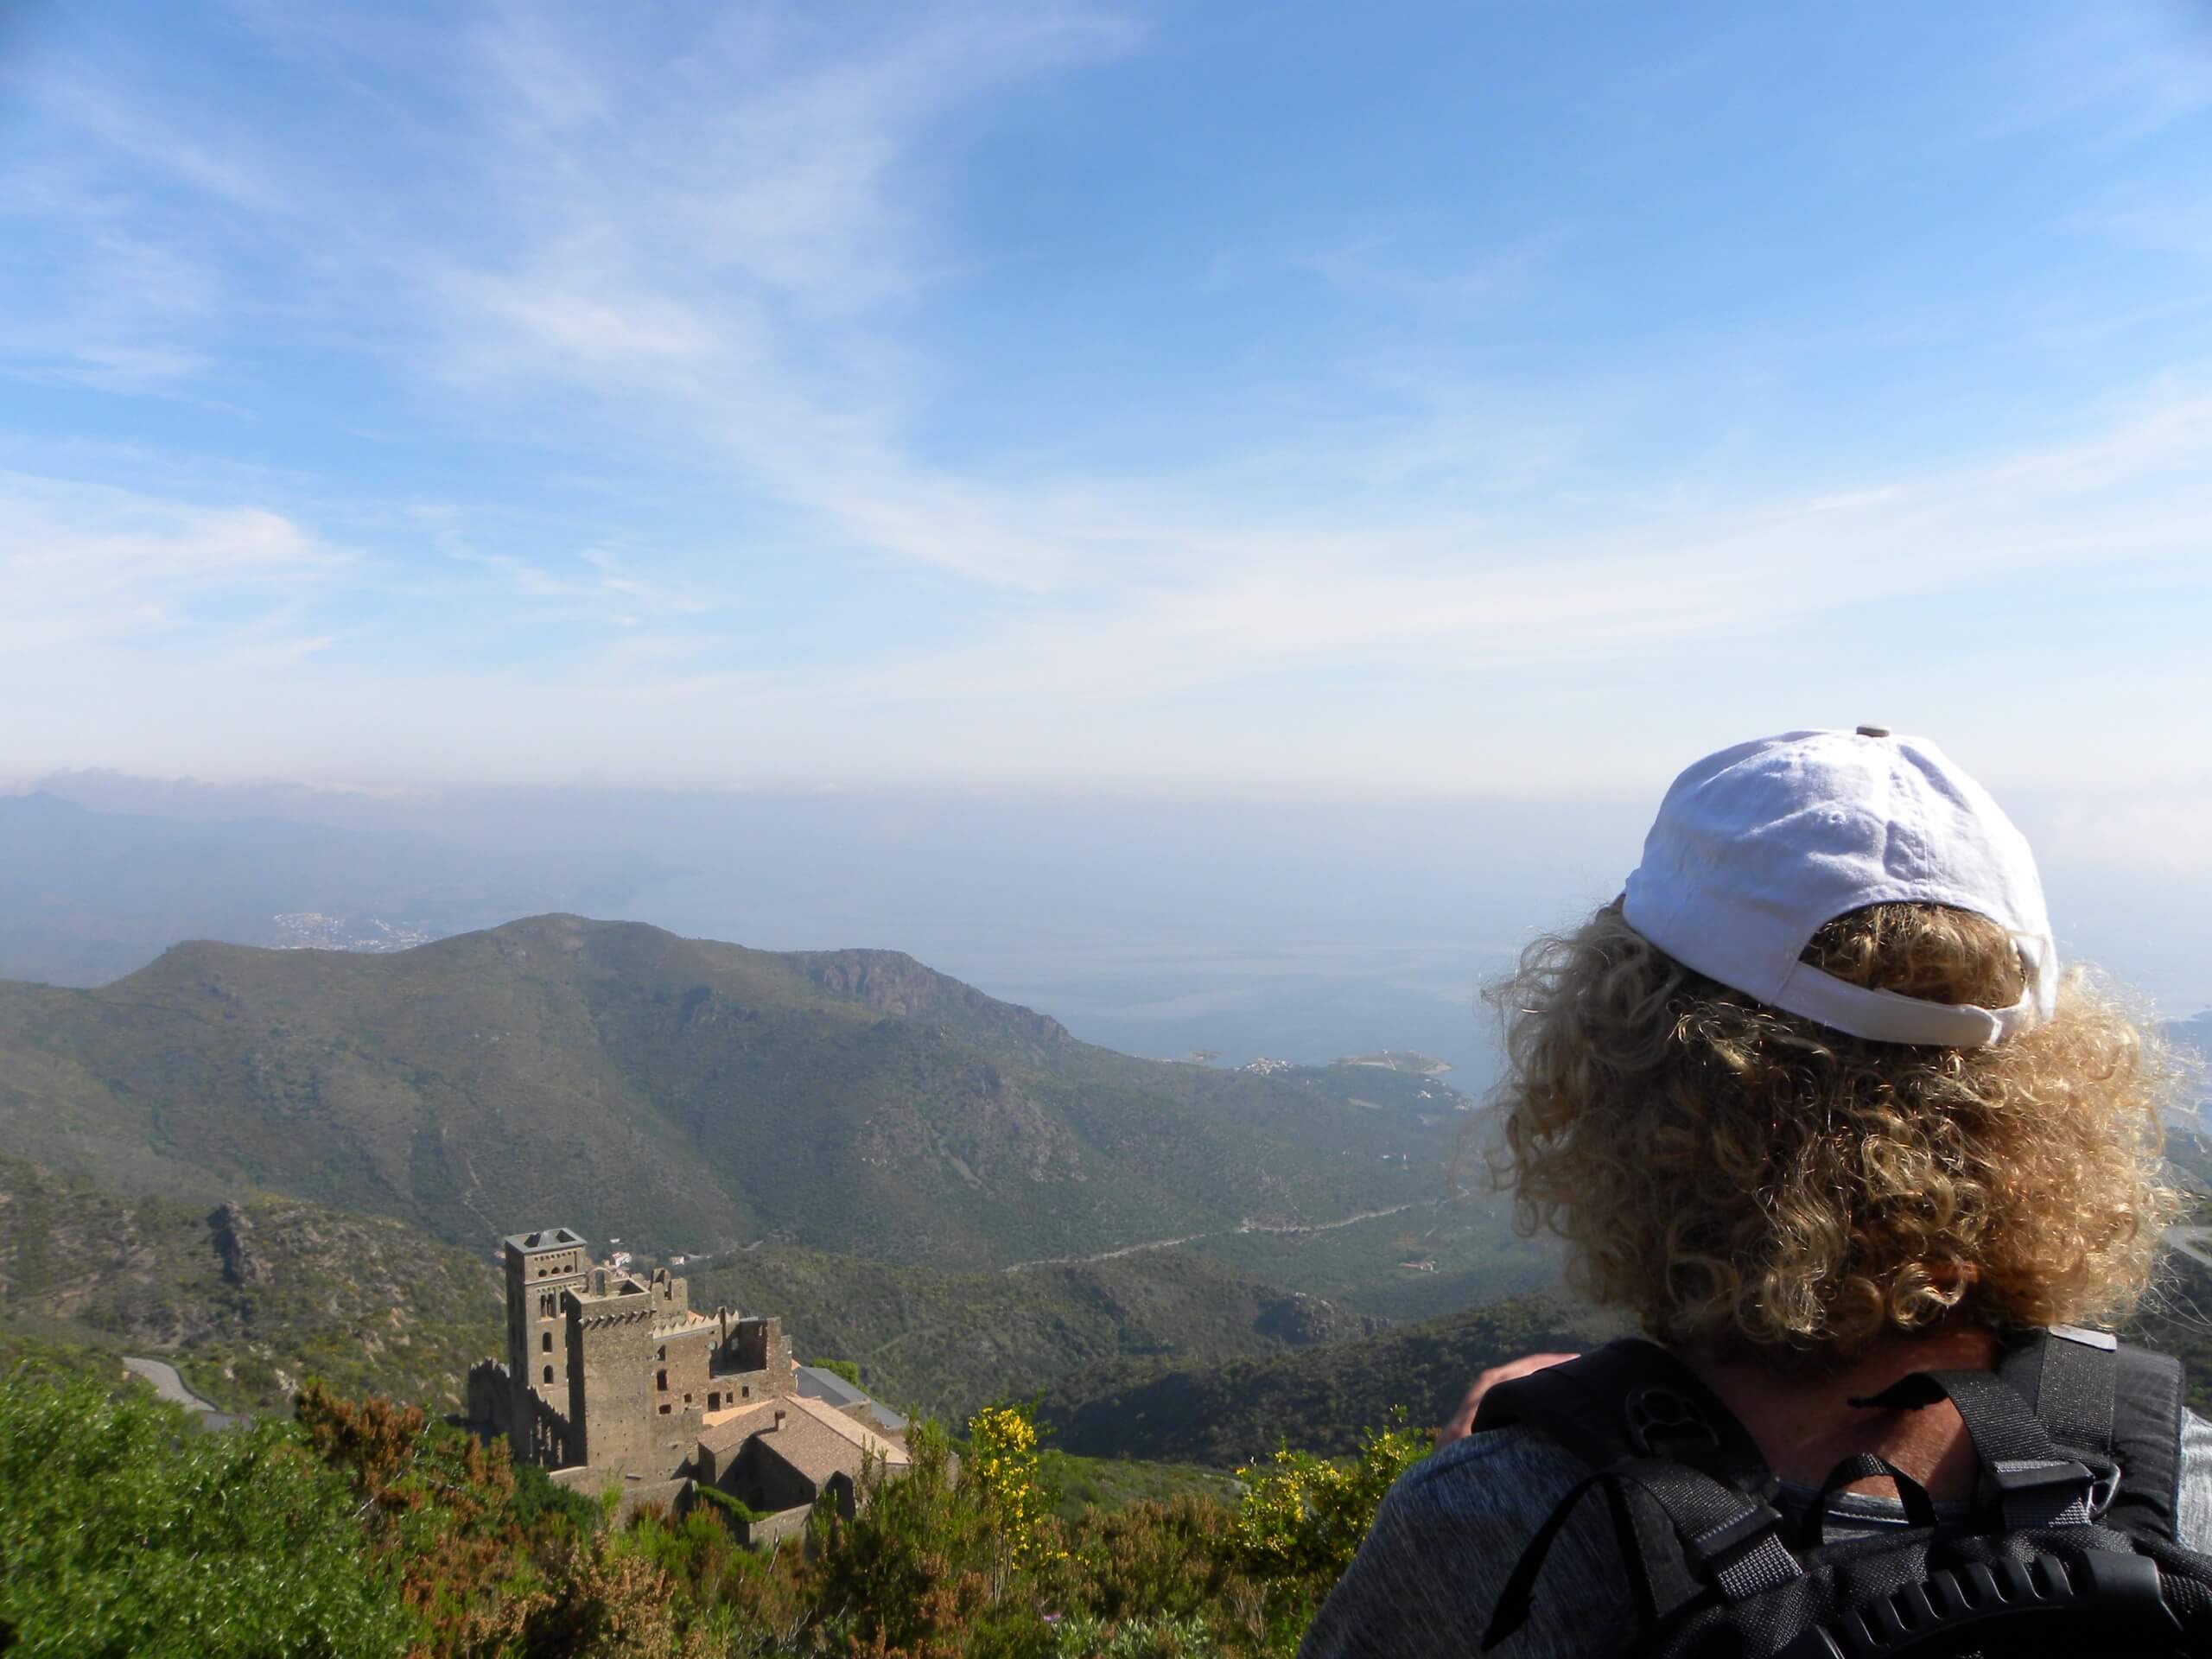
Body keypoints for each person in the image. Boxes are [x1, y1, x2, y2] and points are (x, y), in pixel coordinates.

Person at [1299, 728, 2212, 1658]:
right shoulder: (2166, 1476)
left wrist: (1580, 1431)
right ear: (2048, 1099)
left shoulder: (1507, 1522)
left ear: (1639, 1074)